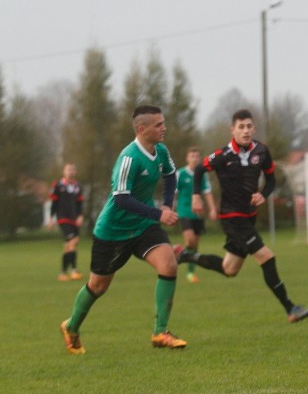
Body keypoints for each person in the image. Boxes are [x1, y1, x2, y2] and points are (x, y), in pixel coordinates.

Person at [60, 104, 187, 355]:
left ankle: (160, 332)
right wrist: (159, 213)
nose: (164, 128)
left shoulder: (161, 150)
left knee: (168, 264)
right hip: (113, 231)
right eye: (158, 124)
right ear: (142, 129)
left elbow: (171, 175)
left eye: (163, 123)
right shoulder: (129, 158)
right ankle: (71, 326)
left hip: (143, 226)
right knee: (98, 286)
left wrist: (166, 203)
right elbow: (121, 199)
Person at [176, 109, 308, 324]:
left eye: (249, 126)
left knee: (229, 269)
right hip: (232, 218)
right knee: (267, 257)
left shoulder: (262, 151)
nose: (246, 130)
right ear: (233, 130)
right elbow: (200, 171)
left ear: (254, 128)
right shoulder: (222, 155)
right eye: (241, 127)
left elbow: (271, 181)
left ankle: (186, 256)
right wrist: (196, 196)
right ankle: (290, 308)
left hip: (248, 217)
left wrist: (263, 194)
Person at [174, 146, 217, 282]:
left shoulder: (202, 174)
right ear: (187, 158)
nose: (195, 159)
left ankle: (190, 272)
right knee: (190, 240)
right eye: (192, 156)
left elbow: (207, 192)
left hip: (197, 214)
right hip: (184, 212)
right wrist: (168, 209)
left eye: (197, 156)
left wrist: (213, 209)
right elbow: (171, 192)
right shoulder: (180, 174)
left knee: (195, 245)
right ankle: (180, 251)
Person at [48, 163, 85, 281]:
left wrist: (80, 216)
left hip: (74, 218)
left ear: (75, 172)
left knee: (69, 245)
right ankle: (74, 270)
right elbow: (54, 203)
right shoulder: (58, 185)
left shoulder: (78, 186)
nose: (71, 171)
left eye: (73, 169)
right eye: (68, 169)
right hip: (63, 218)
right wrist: (51, 218)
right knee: (73, 241)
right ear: (64, 171)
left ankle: (63, 273)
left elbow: (80, 204)